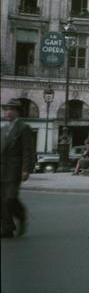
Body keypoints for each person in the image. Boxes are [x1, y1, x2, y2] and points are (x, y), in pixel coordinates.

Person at [1, 99, 34, 238]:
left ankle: (21, 215)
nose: (8, 112)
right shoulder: (2, 129)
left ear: (17, 112)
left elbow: (28, 150)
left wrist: (26, 169)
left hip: (15, 170)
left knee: (10, 198)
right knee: (1, 201)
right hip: (1, 169)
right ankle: (7, 229)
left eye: (11, 109)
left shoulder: (23, 128)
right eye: (6, 109)